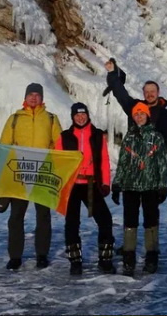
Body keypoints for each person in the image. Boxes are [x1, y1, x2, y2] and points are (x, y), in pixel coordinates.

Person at [0, 82, 60, 270]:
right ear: (25, 97)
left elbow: (58, 144)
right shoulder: (14, 119)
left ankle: (42, 254)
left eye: (36, 95)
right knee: (16, 217)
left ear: (42, 98)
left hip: (43, 173)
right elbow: (4, 145)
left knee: (43, 216)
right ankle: (15, 256)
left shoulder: (51, 119)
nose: (33, 98)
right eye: (30, 94)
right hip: (20, 173)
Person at [54, 102, 116, 275]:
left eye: (83, 114)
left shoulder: (97, 135)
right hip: (72, 185)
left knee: (105, 220)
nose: (80, 117)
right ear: (73, 117)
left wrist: (105, 182)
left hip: (91, 184)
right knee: (72, 223)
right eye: (77, 115)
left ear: (87, 115)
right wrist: (59, 186)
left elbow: (104, 160)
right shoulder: (65, 137)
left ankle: (105, 260)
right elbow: (57, 162)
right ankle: (75, 261)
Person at [112, 102, 167, 276]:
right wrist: (117, 184)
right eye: (136, 114)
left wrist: (163, 185)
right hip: (130, 187)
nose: (139, 117)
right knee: (130, 222)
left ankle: (152, 257)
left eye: (142, 114)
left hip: (150, 186)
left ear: (147, 116)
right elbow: (122, 162)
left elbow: (162, 163)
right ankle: (129, 258)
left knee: (151, 221)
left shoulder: (156, 137)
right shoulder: (129, 137)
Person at [104, 59, 167, 162]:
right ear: (143, 93)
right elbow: (121, 94)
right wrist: (112, 73)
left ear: (158, 92)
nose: (149, 94)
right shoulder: (135, 107)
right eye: (147, 92)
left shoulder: (166, 116)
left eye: (152, 91)